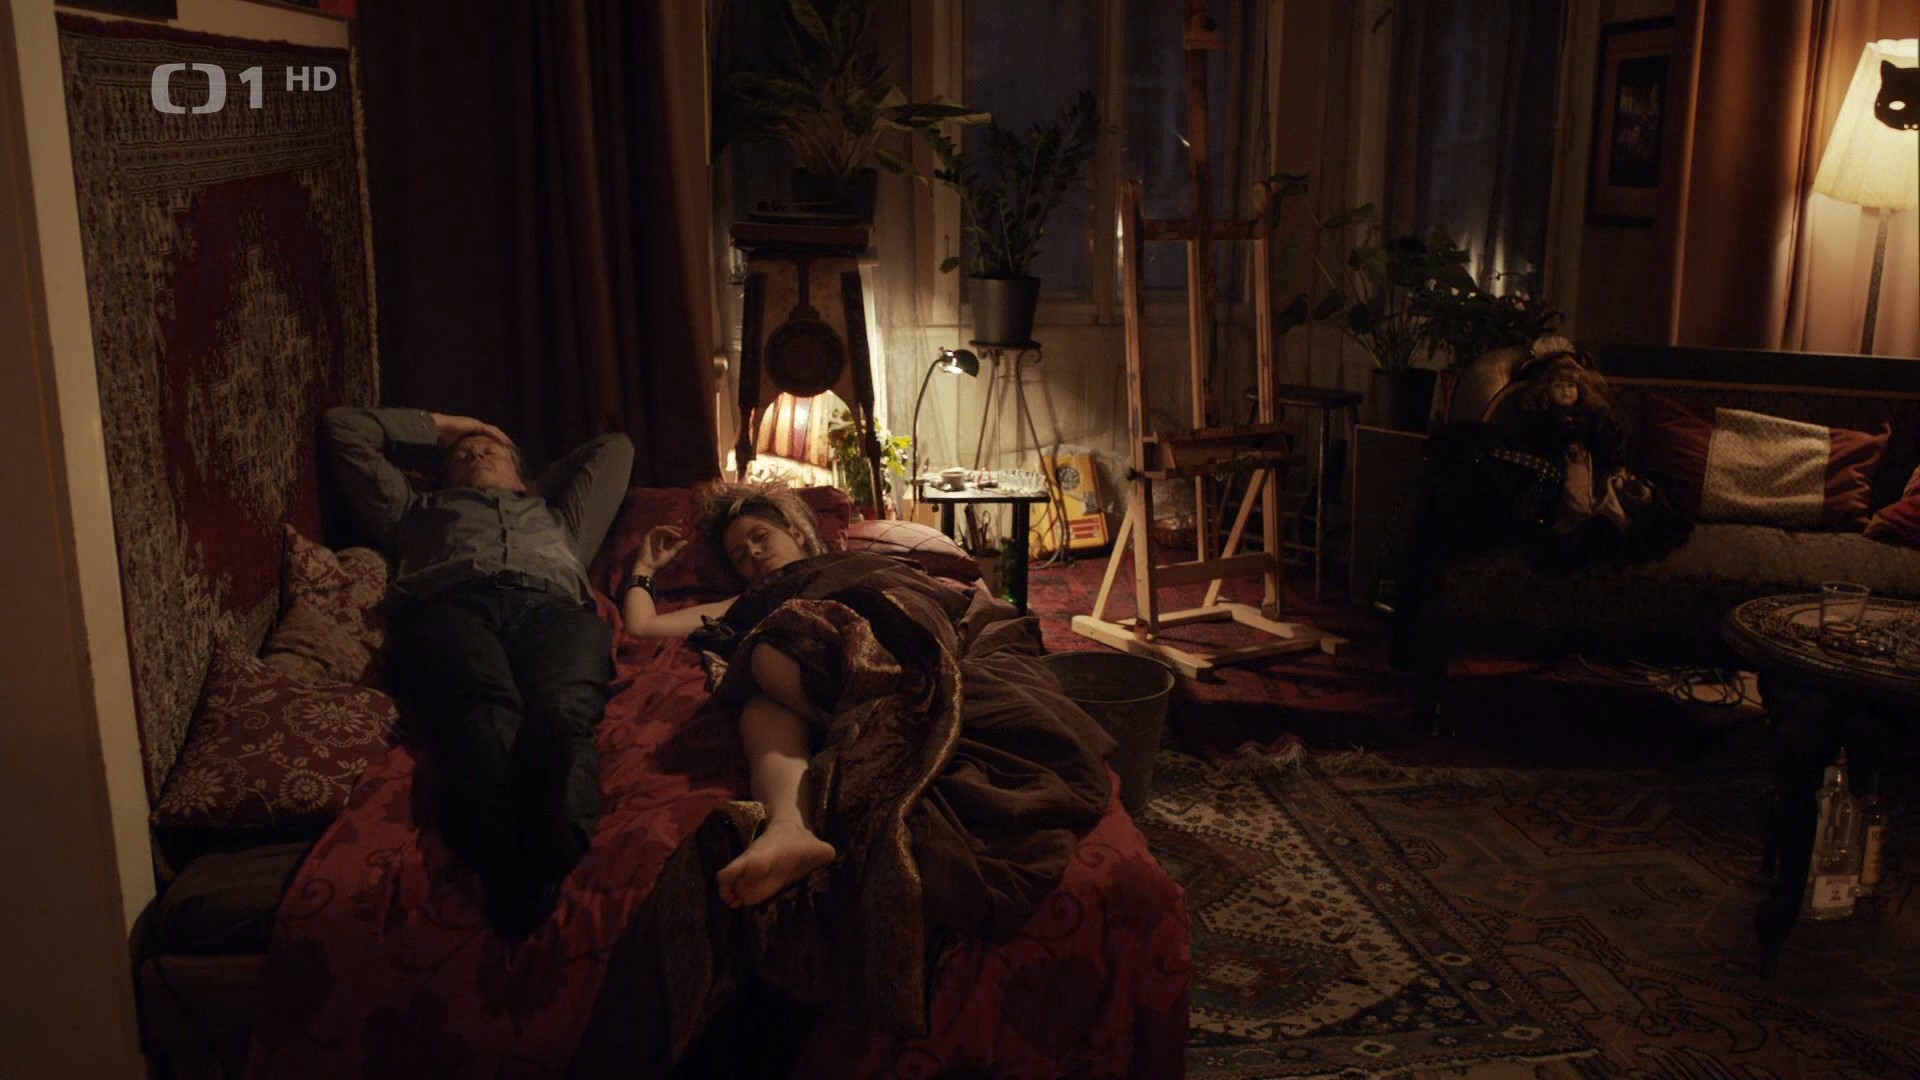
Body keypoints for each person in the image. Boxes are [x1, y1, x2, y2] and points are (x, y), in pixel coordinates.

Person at [615, 481, 1115, 1034]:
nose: (752, 554)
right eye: (738, 554)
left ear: (797, 531)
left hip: (890, 634)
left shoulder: (868, 564)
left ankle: (905, 724)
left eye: (760, 537)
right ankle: (790, 828)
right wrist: (644, 568)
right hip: (809, 671)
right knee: (758, 696)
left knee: (766, 656)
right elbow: (642, 627)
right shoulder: (750, 602)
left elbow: (935, 600)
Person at [321, 406, 633, 937]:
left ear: (523, 473)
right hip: (453, 604)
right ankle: (512, 869)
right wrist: (452, 426)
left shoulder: (562, 520)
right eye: (463, 454)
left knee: (562, 713)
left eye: (490, 449)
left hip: (553, 611)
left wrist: (525, 480)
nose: (476, 453)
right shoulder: (412, 508)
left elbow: (615, 448)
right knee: (482, 706)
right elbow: (343, 428)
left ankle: (548, 852)